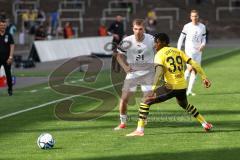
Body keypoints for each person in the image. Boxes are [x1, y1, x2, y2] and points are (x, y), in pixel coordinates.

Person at [126, 33, 212, 137]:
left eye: (156, 43)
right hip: (182, 86)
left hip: (171, 87)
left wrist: (152, 89)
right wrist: (204, 77)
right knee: (184, 105)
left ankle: (139, 130)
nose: (154, 45)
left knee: (145, 101)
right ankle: (205, 123)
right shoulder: (178, 51)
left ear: (163, 43)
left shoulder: (160, 54)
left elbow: (159, 72)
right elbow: (194, 63)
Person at [114, 19, 155, 130]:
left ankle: (143, 119)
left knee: (147, 99)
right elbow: (118, 56)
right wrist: (125, 67)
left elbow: (161, 50)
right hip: (133, 73)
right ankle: (123, 123)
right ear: (133, 29)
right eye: (136, 29)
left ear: (144, 29)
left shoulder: (151, 39)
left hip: (148, 73)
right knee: (124, 99)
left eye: (140, 29)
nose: (138, 31)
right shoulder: (127, 40)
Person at [177, 10, 207, 96]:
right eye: (193, 16)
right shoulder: (187, 26)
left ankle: (189, 91)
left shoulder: (202, 27)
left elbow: (204, 38)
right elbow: (181, 39)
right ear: (190, 17)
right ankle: (181, 89)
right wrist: (179, 50)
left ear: (198, 17)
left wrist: (203, 44)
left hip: (198, 52)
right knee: (190, 68)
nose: (194, 18)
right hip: (189, 51)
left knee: (195, 70)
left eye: (196, 16)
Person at [0, 15, 14, 96]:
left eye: (4, 25)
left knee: (8, 74)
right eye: (1, 25)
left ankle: (10, 90)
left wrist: (10, 57)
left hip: (6, 58)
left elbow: (12, 46)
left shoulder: (9, 35)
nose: (2, 27)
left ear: (6, 26)